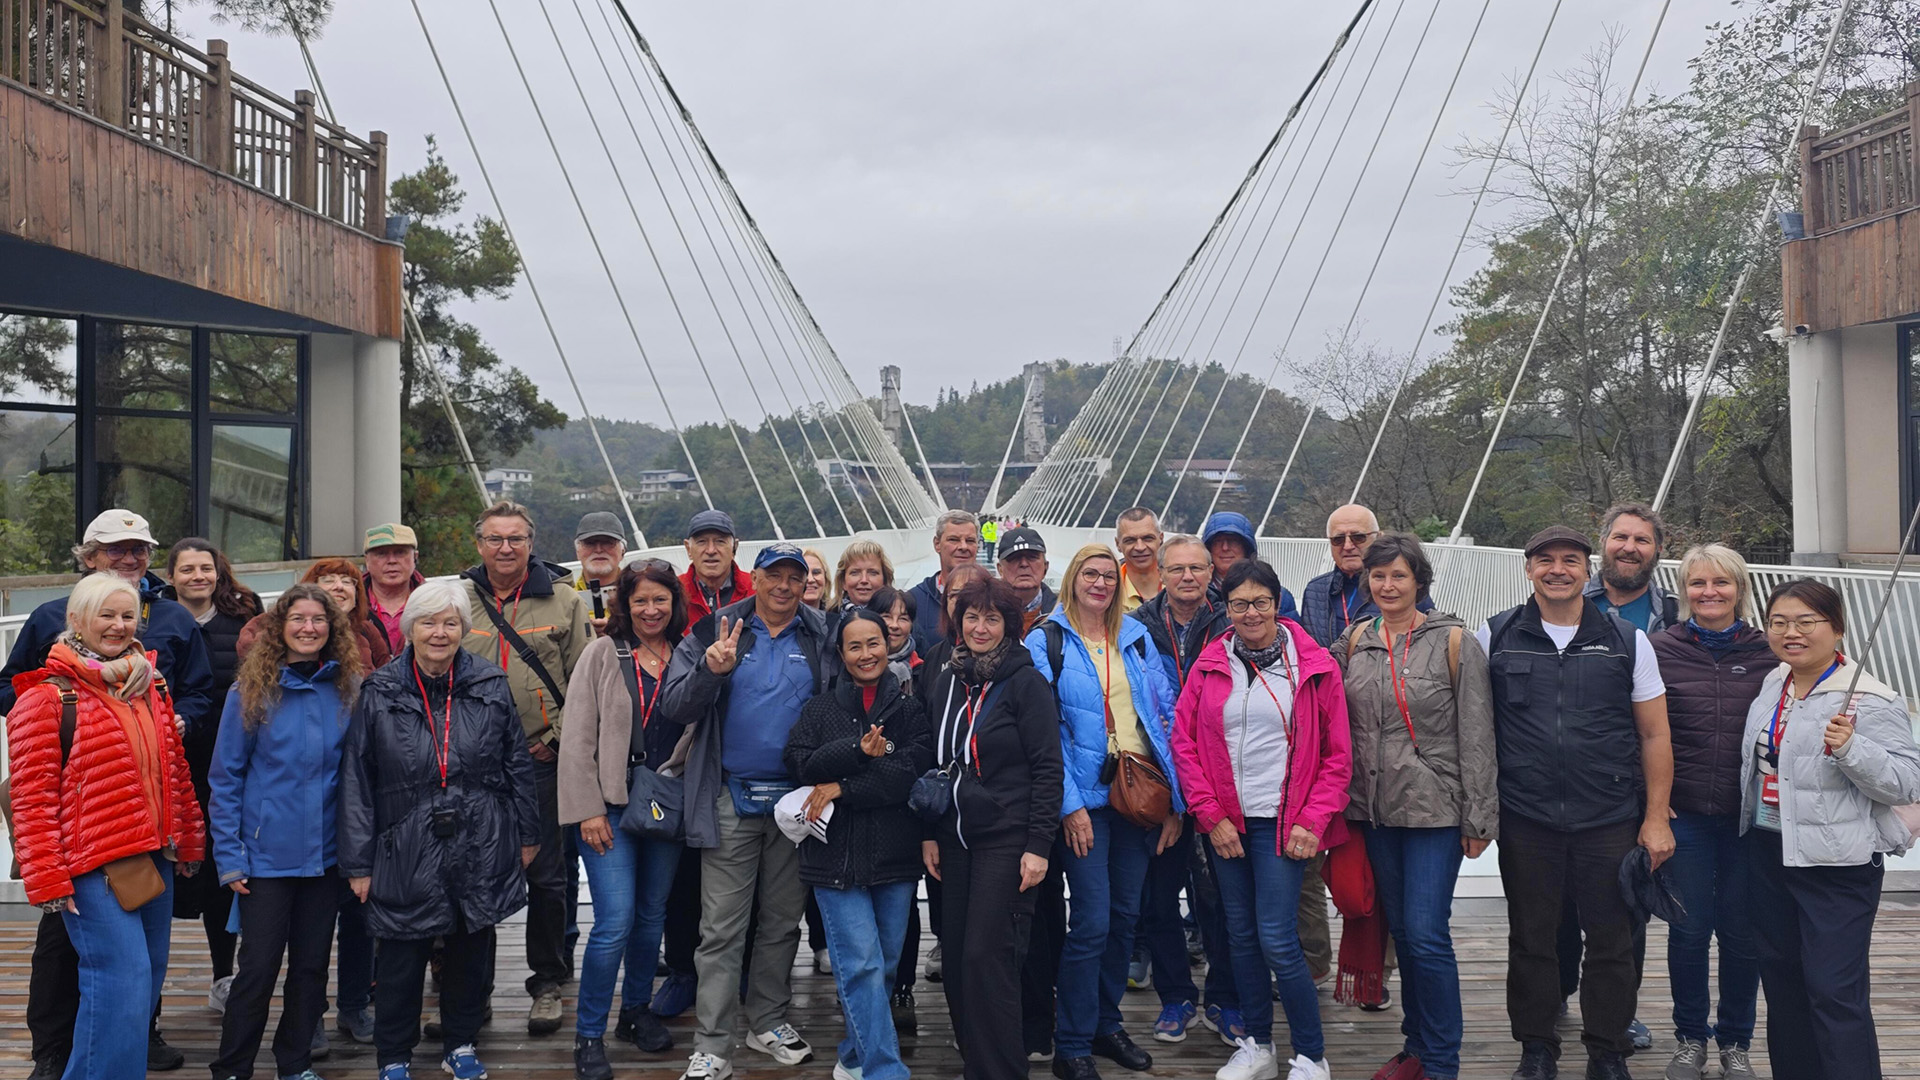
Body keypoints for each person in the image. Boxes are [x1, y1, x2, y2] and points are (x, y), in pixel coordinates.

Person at [3, 509, 215, 1077]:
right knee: (117, 989)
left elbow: (173, 769)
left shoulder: (150, 688)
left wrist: (190, 837)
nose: (119, 625)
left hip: (156, 855)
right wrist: (47, 877)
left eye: (127, 615)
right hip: (93, 864)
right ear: (75, 618)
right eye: (106, 616)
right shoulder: (46, 699)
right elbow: (32, 795)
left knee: (138, 990)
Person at [1478, 526, 1675, 1080]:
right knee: (1533, 939)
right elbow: (1471, 729)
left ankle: (1607, 1053)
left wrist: (1656, 817)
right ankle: (1537, 1049)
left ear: (1587, 570)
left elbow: (1655, 735)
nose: (1557, 569)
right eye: (1545, 560)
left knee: (1613, 942)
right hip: (1527, 816)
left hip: (1609, 817)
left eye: (1570, 560)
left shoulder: (1626, 642)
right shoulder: (1494, 635)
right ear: (1528, 569)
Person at [339, 579, 541, 1080]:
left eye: (450, 623)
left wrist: (528, 834)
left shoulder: (490, 683)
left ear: (462, 630)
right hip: (405, 840)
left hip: (481, 834)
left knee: (472, 946)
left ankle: (461, 1042)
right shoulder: (380, 690)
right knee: (402, 954)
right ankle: (394, 1056)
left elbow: (517, 762)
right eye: (428, 622)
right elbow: (357, 780)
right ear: (409, 629)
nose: (439, 633)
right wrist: (359, 862)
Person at [662, 542, 838, 1080]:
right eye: (773, 576)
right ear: (753, 579)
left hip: (796, 800)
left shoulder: (821, 633)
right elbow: (674, 706)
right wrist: (713, 671)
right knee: (721, 927)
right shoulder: (715, 630)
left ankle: (767, 1021)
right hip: (729, 794)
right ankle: (713, 1045)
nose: (784, 586)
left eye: (794, 576)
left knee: (783, 921)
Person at [1171, 559, 1348, 1080]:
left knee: (1276, 937)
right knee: (1241, 935)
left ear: (1277, 603)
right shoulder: (1210, 664)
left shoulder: (1314, 667)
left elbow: (1338, 756)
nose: (1250, 613)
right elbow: (1186, 746)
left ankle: (1312, 1055)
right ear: (1225, 609)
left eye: (1261, 602)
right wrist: (1211, 816)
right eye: (1239, 604)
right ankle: (1258, 1045)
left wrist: (1310, 822)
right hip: (1228, 823)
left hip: (1285, 823)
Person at [1334, 534, 1497, 1080]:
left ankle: (1443, 1062)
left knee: (1426, 934)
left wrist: (1480, 815)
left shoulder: (1453, 641)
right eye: (1378, 577)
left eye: (1398, 576)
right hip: (1375, 811)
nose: (1387, 585)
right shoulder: (1356, 640)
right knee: (1402, 933)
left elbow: (1477, 732)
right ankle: (1417, 1048)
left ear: (1419, 582)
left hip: (1435, 811)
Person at [1742, 580, 1920, 1080]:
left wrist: (1850, 749)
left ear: (1836, 629)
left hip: (1837, 865)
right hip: (1770, 852)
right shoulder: (1775, 682)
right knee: (1783, 984)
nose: (1790, 632)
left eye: (1805, 622)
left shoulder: (1869, 698)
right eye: (1778, 622)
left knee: (1833, 991)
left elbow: (1908, 782)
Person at [1028, 543, 1184, 1080]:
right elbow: (1043, 737)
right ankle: (1071, 1042)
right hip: (1087, 805)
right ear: (1072, 580)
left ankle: (1104, 1022)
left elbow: (1163, 722)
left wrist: (1174, 806)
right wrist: (1068, 808)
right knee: (1091, 921)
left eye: (1107, 576)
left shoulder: (1136, 639)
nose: (1099, 583)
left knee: (1123, 918)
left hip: (1139, 799)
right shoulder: (1044, 642)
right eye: (1089, 574)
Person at [206, 584, 364, 1080]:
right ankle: (233, 1067)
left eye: (320, 620)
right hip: (264, 857)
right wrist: (229, 856)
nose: (309, 627)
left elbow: (360, 777)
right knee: (256, 971)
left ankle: (294, 1063)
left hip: (327, 856)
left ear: (333, 629)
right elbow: (225, 778)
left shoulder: (350, 688)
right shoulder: (250, 690)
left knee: (312, 968)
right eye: (299, 618)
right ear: (281, 626)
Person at [921, 577, 1063, 1080]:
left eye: (992, 618)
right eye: (971, 617)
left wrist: (1039, 845)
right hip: (954, 839)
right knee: (958, 959)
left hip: (1007, 837)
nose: (980, 628)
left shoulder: (1025, 683)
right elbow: (933, 761)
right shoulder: (946, 680)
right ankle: (977, 1063)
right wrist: (930, 834)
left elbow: (1049, 768)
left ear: (1009, 625)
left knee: (989, 955)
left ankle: (1002, 1070)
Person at [783, 609, 933, 1080]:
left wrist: (843, 787)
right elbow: (800, 765)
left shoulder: (909, 710)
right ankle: (884, 1069)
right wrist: (856, 753)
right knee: (862, 966)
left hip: (895, 855)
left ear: (886, 646)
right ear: (841, 653)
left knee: (884, 966)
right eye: (855, 646)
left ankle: (852, 1056)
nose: (866, 654)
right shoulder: (820, 709)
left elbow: (909, 773)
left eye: (874, 643)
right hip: (835, 859)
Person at [559, 560, 693, 1079]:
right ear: (625, 604)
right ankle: (588, 1033)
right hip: (609, 807)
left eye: (661, 599)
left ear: (674, 603)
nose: (651, 609)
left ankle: (634, 1012)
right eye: (640, 600)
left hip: (665, 803)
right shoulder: (601, 653)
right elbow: (576, 740)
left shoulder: (688, 655)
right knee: (613, 922)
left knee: (651, 917)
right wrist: (587, 810)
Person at [1652, 545, 1771, 1080]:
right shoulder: (1659, 649)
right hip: (1688, 815)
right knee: (1690, 929)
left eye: (1721, 583)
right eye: (1698, 584)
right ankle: (1690, 1038)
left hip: (1749, 817)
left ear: (1740, 589)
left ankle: (1736, 1041)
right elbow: (1640, 729)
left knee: (1742, 932)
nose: (1709, 593)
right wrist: (1651, 803)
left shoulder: (1771, 652)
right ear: (1684, 591)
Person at [1127, 534, 1240, 1045]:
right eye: (1178, 570)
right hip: (1161, 781)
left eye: (1198, 568)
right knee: (1158, 896)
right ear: (1161, 572)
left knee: (1222, 898)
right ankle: (1176, 996)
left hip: (1222, 778)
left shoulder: (1233, 619)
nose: (1188, 578)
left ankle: (1223, 997)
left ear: (1210, 574)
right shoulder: (1136, 627)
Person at [162, 538, 262, 1017]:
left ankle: (225, 974)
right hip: (173, 764)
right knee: (175, 868)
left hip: (230, 762)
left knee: (227, 868)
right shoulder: (154, 618)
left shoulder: (244, 619)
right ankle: (149, 992)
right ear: (172, 575)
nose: (197, 576)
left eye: (206, 567)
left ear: (219, 571)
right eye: (187, 569)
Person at [1299, 504, 1436, 648]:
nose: (1347, 546)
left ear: (1378, 537)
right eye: (1338, 539)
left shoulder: (1401, 590)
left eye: (1358, 537)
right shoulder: (1315, 591)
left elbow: (1431, 644)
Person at [242, 559, 390, 671]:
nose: (339, 587)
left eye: (347, 582)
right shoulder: (272, 623)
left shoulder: (367, 629)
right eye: (328, 580)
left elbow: (387, 676)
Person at [1584, 503, 1679, 634]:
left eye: (1642, 540)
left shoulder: (1676, 614)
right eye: (1620, 537)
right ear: (1603, 542)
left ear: (1658, 550)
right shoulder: (1568, 601)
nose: (1629, 548)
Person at [910, 510, 982, 656]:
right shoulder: (913, 601)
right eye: (954, 540)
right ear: (937, 544)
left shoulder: (995, 598)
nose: (963, 547)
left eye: (970, 541)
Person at [1199, 511, 1295, 618]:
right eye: (1217, 542)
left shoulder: (1278, 595)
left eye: (1233, 541)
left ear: (1246, 548)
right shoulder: (1197, 594)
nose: (1225, 548)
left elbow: (1292, 632)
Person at [681, 510, 754, 627]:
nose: (711, 550)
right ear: (688, 549)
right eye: (701, 542)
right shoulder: (674, 591)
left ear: (734, 548)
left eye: (720, 541)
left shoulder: (756, 590)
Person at [363, 523, 425, 659]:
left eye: (400, 552)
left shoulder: (434, 602)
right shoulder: (350, 605)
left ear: (415, 557)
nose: (391, 561)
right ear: (366, 560)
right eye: (381, 554)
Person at [574, 511, 630, 637]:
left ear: (623, 551)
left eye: (608, 542)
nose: (598, 549)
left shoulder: (637, 594)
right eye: (590, 543)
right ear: (577, 552)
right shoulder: (565, 598)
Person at [996, 526, 1059, 631]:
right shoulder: (984, 613)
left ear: (1045, 567)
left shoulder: (1067, 615)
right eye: (1014, 558)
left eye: (1032, 557)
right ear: (1000, 569)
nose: (1024, 564)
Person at [869, 584, 921, 693]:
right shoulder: (857, 664)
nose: (894, 625)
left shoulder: (921, 671)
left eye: (903, 619)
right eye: (887, 617)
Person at [1114, 507, 1164, 612]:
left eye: (1147, 538)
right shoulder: (1107, 591)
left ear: (1161, 538)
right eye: (1130, 540)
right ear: (1118, 544)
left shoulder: (1181, 583)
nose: (1140, 547)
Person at [834, 539, 896, 614]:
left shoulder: (899, 620)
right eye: (855, 573)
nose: (864, 580)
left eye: (873, 573)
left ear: (885, 580)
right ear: (843, 582)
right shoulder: (825, 622)